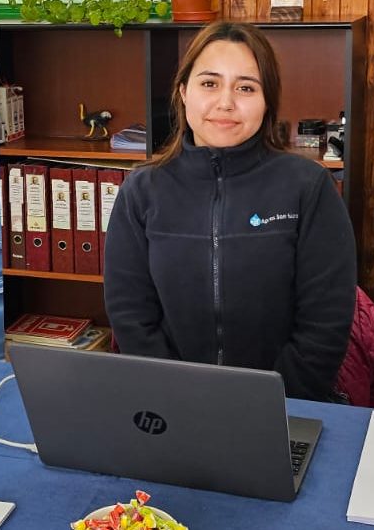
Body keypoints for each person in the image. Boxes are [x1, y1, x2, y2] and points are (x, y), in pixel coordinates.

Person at [103, 21, 357, 402]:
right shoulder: (142, 191)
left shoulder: (308, 187)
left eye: (245, 87)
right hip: (170, 403)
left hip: (284, 405)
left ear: (267, 100)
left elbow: (325, 323)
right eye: (209, 83)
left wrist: (270, 401)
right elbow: (130, 315)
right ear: (183, 92)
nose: (226, 102)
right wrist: (175, 395)